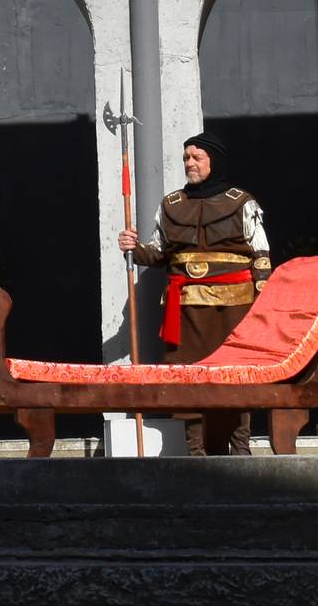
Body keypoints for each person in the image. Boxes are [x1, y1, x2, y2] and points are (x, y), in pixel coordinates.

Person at [119, 130, 272, 455]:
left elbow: (261, 257)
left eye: (196, 157)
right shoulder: (172, 205)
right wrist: (134, 248)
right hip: (186, 311)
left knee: (235, 377)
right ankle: (196, 454)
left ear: (213, 161)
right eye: (186, 157)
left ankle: (240, 450)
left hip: (233, 310)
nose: (189, 163)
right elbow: (158, 254)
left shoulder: (242, 203)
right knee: (187, 377)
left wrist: (261, 308)